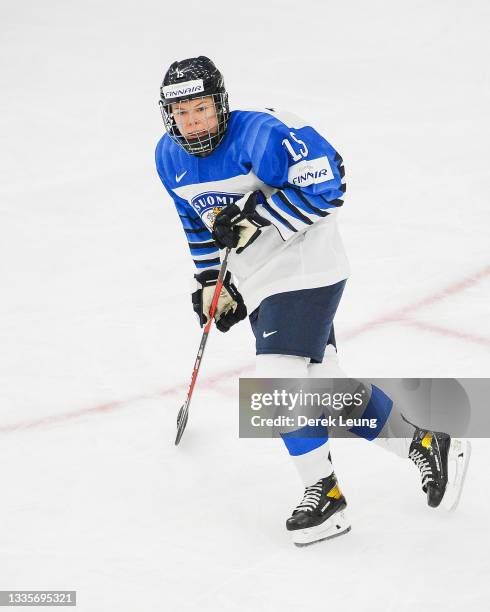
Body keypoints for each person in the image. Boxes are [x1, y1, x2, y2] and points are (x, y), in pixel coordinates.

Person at [155, 56, 471, 546]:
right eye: (182, 112)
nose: (193, 122)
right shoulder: (167, 157)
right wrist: (211, 281)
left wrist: (256, 213)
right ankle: (426, 443)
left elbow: (329, 183)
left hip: (305, 261)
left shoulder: (263, 134)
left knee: (276, 379)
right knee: (323, 384)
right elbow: (198, 222)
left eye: (202, 109)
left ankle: (324, 496)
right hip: (259, 280)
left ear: (220, 105)